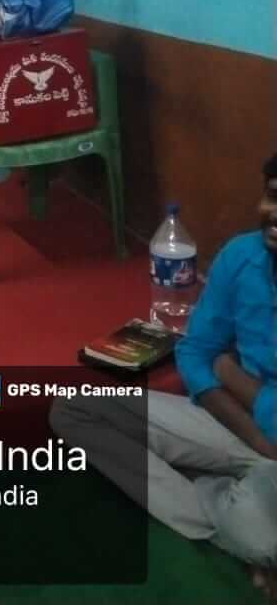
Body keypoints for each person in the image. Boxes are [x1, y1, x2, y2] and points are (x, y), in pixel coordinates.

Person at [52, 156, 277, 596]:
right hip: (236, 425)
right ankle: (223, 501)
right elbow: (195, 351)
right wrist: (249, 423)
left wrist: (229, 373)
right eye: (273, 195)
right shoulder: (242, 255)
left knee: (263, 543)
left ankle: (236, 517)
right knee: (74, 411)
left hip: (255, 427)